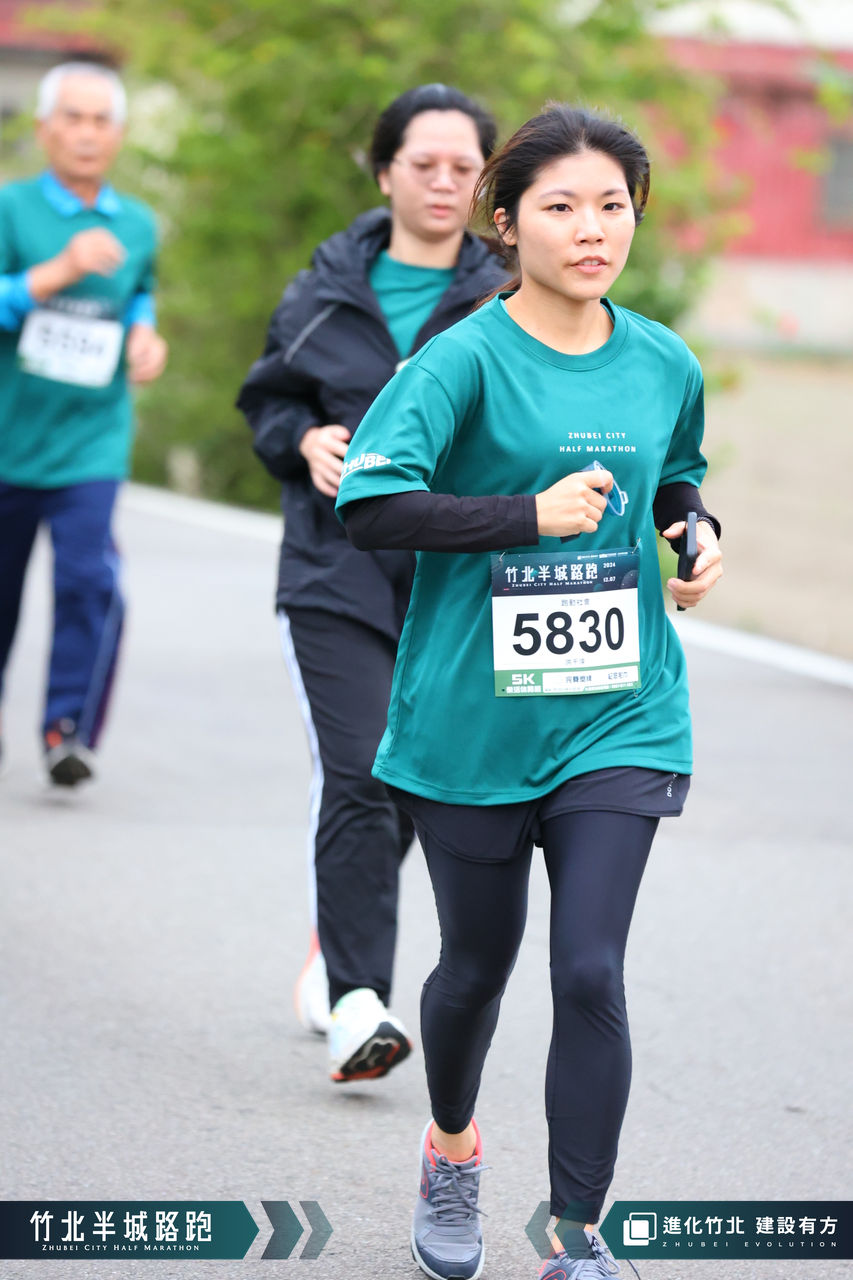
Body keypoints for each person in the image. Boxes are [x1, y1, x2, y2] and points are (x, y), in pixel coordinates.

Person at [335, 104, 723, 1279]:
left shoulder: (662, 361)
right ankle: (452, 1145)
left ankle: (574, 1230)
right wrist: (523, 515)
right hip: (473, 718)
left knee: (589, 966)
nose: (592, 228)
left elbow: (677, 474)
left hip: (620, 708)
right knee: (473, 968)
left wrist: (692, 530)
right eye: (561, 206)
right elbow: (370, 501)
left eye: (612, 205)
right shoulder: (460, 360)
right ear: (505, 224)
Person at [236, 85, 507, 1083]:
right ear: (385, 170)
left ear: (486, 183)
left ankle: (334, 943)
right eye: (422, 163)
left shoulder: (508, 298)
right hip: (334, 569)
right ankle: (358, 999)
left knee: (404, 780)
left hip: (456, 579)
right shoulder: (324, 288)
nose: (442, 182)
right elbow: (267, 400)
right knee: (358, 768)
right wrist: (302, 438)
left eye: (463, 167)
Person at [0, 61, 167, 787]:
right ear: (44, 129)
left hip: (91, 441)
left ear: (119, 135)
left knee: (87, 580)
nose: (87, 132)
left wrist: (145, 334)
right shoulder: (10, 209)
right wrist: (57, 272)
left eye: (102, 120)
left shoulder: (137, 223)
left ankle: (66, 730)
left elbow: (140, 294)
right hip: (8, 440)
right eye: (72, 117)